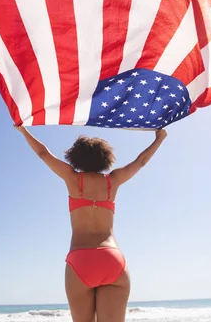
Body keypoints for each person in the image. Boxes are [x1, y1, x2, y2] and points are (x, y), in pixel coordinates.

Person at [14, 125, 167, 322]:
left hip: (81, 259)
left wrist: (24, 131)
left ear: (75, 157)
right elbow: (141, 161)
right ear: (105, 158)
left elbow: (43, 154)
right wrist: (159, 139)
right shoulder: (113, 180)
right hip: (111, 258)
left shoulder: (72, 178)